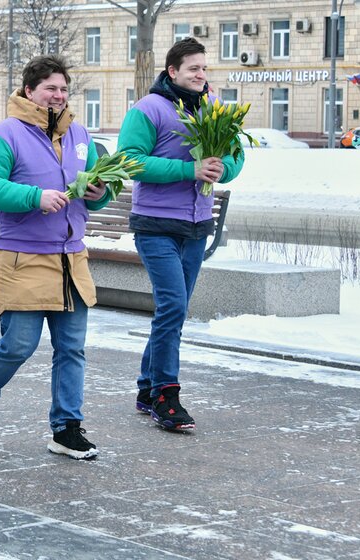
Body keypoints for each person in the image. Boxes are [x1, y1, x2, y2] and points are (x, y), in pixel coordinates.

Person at [0, 55, 109, 461]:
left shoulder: (80, 134)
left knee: (72, 348)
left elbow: (100, 188)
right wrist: (33, 197)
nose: (58, 96)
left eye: (63, 89)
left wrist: (100, 193)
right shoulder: (5, 135)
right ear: (30, 91)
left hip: (71, 258)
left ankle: (67, 428)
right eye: (50, 89)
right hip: (22, 257)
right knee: (19, 344)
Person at [116, 38, 244, 431]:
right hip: (156, 226)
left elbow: (236, 155)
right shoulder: (148, 109)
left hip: (196, 227)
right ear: (173, 71)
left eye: (204, 68)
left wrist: (224, 169)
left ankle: (145, 387)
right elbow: (129, 161)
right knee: (173, 307)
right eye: (193, 69)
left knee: (174, 311)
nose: (201, 75)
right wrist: (188, 170)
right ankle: (166, 397)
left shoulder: (216, 108)